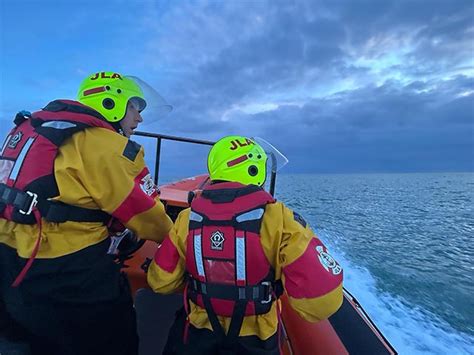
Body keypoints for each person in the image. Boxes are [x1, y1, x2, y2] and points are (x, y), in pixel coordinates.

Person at [0, 71, 173, 355]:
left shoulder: (29, 129)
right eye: (135, 108)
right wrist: (179, 235)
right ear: (112, 104)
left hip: (8, 259)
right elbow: (148, 218)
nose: (139, 119)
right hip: (63, 271)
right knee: (116, 335)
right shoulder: (106, 145)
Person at [147, 135, 344, 354]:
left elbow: (160, 281)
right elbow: (320, 303)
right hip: (258, 340)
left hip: (199, 333)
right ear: (254, 170)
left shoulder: (186, 218)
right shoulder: (281, 219)